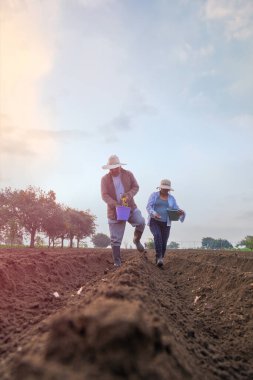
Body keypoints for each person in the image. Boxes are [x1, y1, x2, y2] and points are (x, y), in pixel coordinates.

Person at [101, 155, 145, 267]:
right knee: (115, 239)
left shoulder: (128, 174)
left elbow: (136, 187)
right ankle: (117, 262)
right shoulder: (105, 179)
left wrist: (129, 195)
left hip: (129, 207)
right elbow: (104, 195)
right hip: (114, 211)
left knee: (140, 222)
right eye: (111, 168)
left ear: (119, 166)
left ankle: (136, 240)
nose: (113, 170)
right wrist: (114, 203)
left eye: (115, 167)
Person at [146, 179, 185, 267]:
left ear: (169, 189)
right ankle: (159, 257)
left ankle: (160, 258)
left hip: (166, 223)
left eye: (167, 189)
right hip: (154, 221)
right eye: (164, 188)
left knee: (164, 241)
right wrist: (154, 213)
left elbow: (175, 208)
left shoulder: (171, 198)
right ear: (160, 188)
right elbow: (149, 206)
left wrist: (180, 212)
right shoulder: (154, 195)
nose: (165, 190)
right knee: (157, 235)